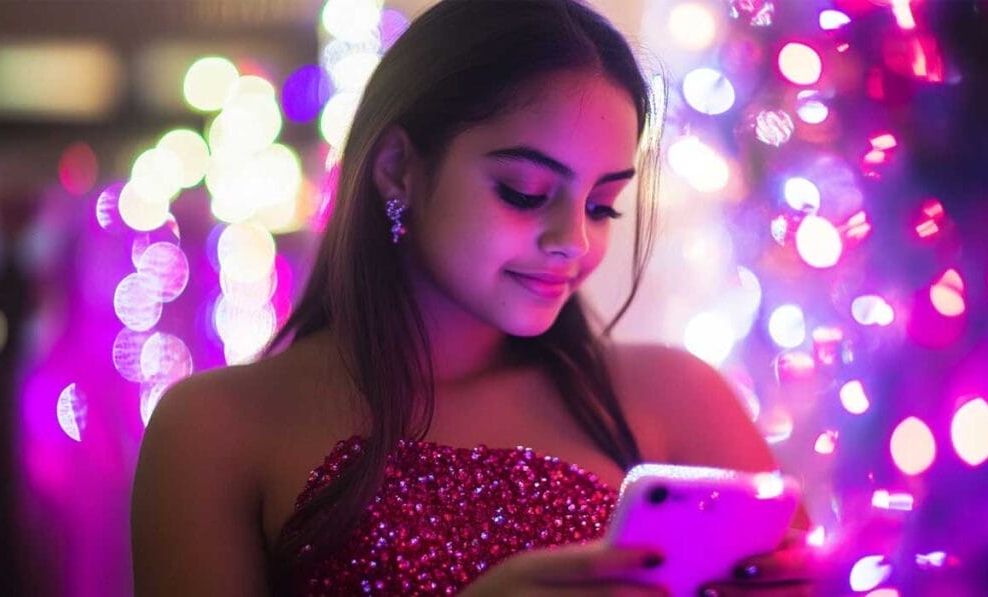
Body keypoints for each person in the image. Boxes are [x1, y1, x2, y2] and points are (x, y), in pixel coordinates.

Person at [131, 0, 816, 594]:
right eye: (524, 192)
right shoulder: (215, 426)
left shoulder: (676, 398)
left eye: (603, 205)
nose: (573, 240)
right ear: (398, 167)